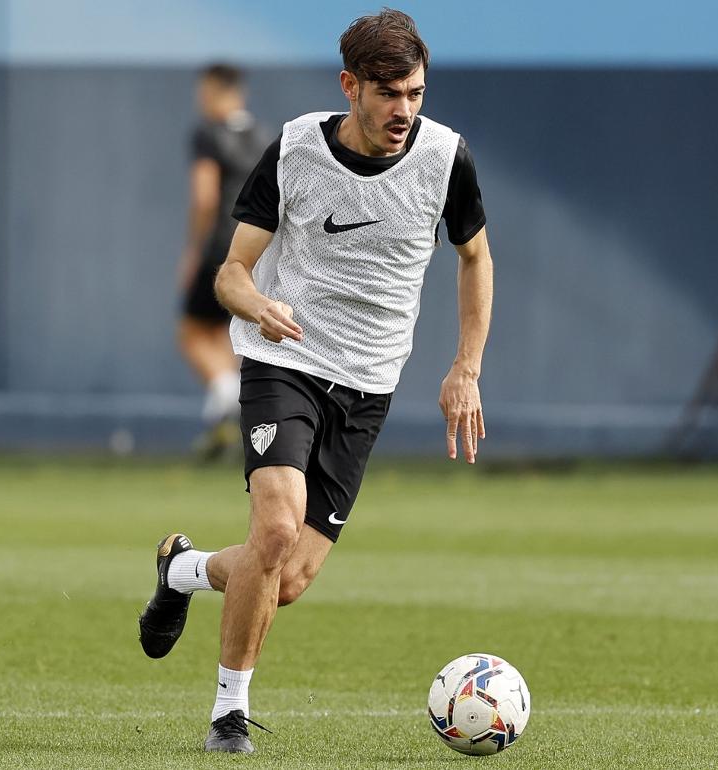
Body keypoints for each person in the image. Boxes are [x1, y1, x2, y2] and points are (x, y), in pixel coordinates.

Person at [139, 9, 492, 754]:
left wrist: (466, 366)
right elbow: (231, 271)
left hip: (368, 384)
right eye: (389, 94)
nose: (404, 111)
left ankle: (182, 571)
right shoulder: (297, 147)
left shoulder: (446, 158)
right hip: (285, 362)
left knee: (287, 577)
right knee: (272, 529)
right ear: (350, 86)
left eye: (416, 95)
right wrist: (258, 306)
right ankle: (228, 716)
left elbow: (474, 257)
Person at [177, 63, 268, 459]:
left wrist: (194, 249)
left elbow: (205, 197)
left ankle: (226, 395)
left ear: (215, 91)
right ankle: (225, 412)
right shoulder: (265, 137)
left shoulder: (207, 134)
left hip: (220, 248)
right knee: (229, 334)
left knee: (192, 331)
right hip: (256, 247)